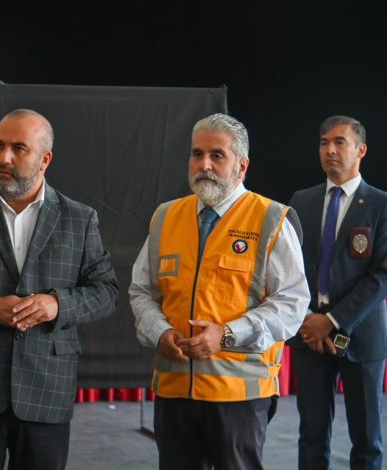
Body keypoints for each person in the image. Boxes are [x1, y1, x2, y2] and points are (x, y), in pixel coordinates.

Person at [0, 108, 119, 470]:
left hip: (47, 387)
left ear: (45, 160)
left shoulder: (79, 218)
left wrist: (57, 305)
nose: (4, 158)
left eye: (18, 148)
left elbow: (107, 292)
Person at [129, 113, 310, 469]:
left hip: (239, 396)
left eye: (217, 155)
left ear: (242, 166)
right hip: (174, 391)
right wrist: (160, 331)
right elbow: (141, 290)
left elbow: (291, 304)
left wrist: (226, 334)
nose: (204, 165)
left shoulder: (270, 219)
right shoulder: (165, 217)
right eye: (197, 154)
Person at [288, 115, 387, 470]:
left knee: (367, 440)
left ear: (361, 150)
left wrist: (330, 321)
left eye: (339, 142)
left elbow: (381, 276)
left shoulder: (380, 204)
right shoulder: (301, 201)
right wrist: (307, 319)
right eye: (323, 143)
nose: (329, 150)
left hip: (360, 336)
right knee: (311, 435)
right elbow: (288, 268)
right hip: (309, 336)